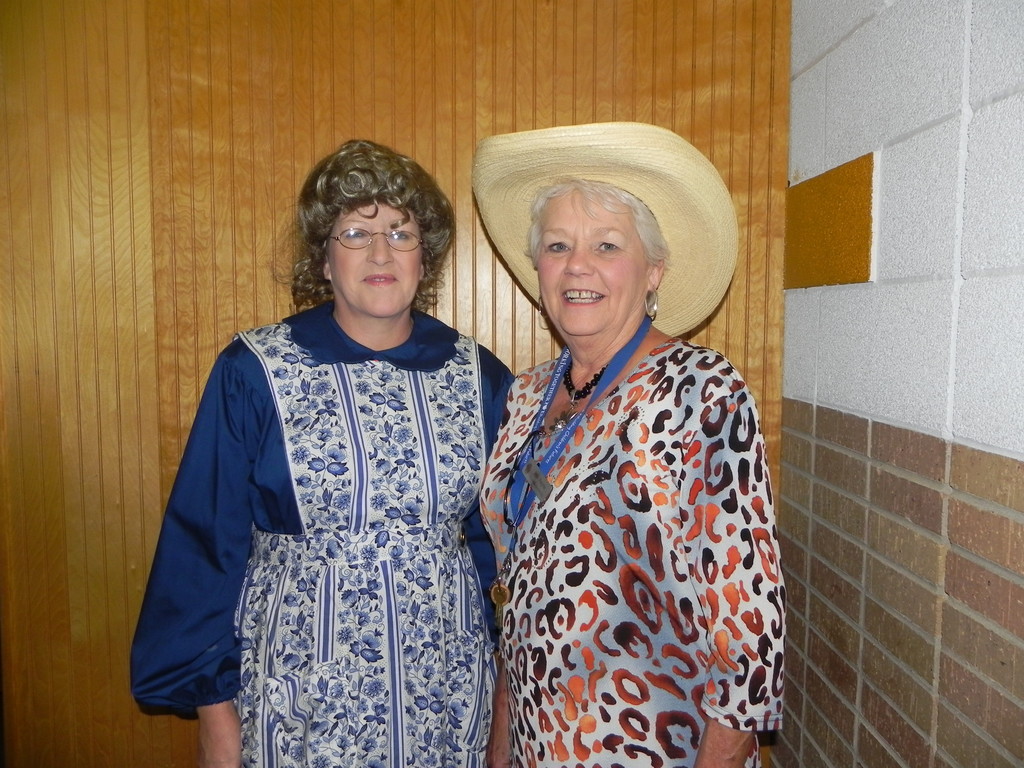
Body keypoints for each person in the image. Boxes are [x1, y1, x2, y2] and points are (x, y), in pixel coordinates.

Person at [131, 138, 512, 768]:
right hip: (303, 689)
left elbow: (495, 547)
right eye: (356, 233)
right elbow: (204, 543)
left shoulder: (477, 376)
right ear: (326, 259)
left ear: (427, 255)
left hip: (446, 691)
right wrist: (215, 718)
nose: (382, 253)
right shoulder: (255, 370)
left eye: (400, 231)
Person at [471, 122, 786, 768]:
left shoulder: (700, 394)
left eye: (606, 245)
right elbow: (518, 597)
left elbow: (750, 651)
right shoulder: (528, 395)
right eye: (558, 245)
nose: (577, 266)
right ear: (539, 270)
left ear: (653, 271)